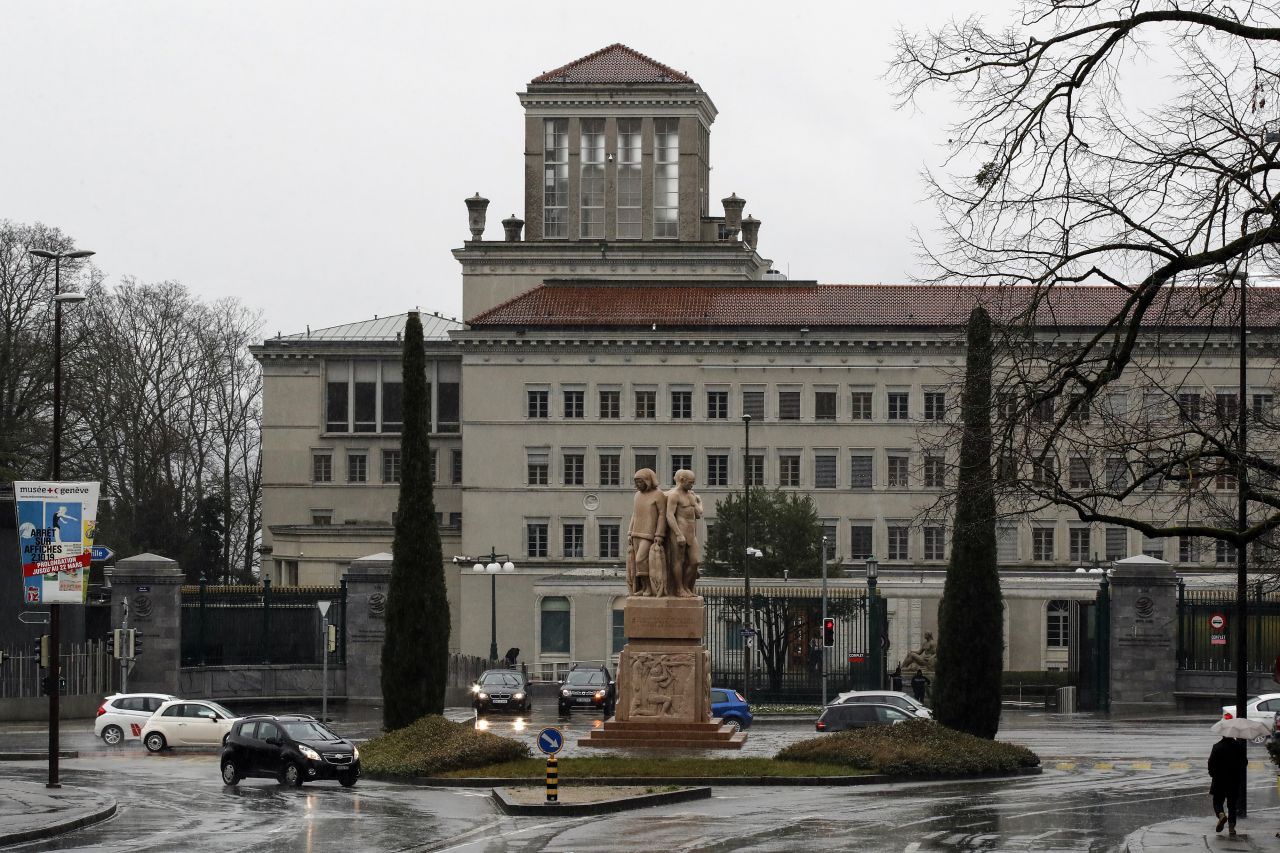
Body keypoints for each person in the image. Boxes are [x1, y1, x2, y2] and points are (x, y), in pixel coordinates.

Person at [626, 469, 667, 596]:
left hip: (649, 533)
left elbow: (662, 515)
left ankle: (649, 587)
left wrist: (659, 534)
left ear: (648, 481)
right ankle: (643, 587)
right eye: (636, 482)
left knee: (640, 560)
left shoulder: (658, 494)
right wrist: (630, 531)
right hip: (636, 532)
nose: (638, 484)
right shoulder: (637, 495)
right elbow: (634, 514)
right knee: (636, 563)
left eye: (640, 481)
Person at [664, 469, 703, 597]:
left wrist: (699, 501)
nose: (692, 485)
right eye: (690, 482)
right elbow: (669, 515)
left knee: (695, 561)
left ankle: (686, 586)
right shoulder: (674, 495)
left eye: (693, 483)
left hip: (691, 533)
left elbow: (698, 514)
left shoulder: (691, 495)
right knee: (678, 561)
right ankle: (679, 589)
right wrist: (678, 533)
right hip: (679, 532)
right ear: (682, 480)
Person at [1208, 735, 1247, 836]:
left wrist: (1213, 774)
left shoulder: (1217, 746)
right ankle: (1231, 828)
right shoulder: (1238, 747)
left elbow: (1211, 763)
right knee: (1232, 805)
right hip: (1234, 780)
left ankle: (1221, 814)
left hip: (1219, 780)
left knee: (1217, 801)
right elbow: (1244, 763)